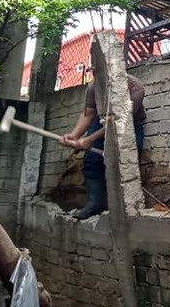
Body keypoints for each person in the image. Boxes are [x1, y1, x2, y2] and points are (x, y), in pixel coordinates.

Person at [60, 72, 146, 219]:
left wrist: (90, 139)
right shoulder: (94, 87)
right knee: (92, 160)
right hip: (101, 121)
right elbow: (88, 114)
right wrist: (75, 135)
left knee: (126, 162)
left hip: (130, 124)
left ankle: (127, 206)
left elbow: (120, 121)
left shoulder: (135, 87)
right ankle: (95, 203)